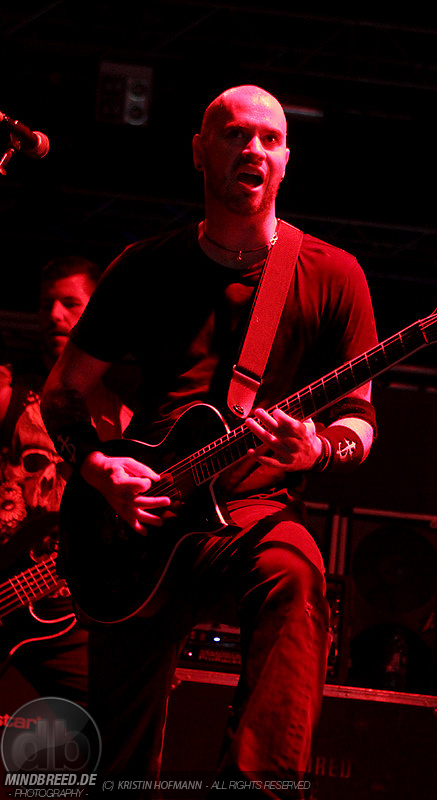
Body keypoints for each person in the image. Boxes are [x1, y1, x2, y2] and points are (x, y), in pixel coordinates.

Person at [41, 85, 378, 797]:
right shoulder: (144, 266)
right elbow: (63, 393)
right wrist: (98, 471)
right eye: (234, 135)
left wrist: (317, 449)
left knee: (295, 574)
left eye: (269, 138)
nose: (253, 149)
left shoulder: (332, 274)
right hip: (137, 517)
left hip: (250, 515)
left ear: (285, 160)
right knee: (117, 759)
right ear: (199, 152)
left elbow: (359, 420)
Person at [0, 256, 129, 703]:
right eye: (46, 304)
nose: (54, 315)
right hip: (7, 583)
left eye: (70, 304)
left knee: (114, 708)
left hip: (65, 610)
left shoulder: (124, 416)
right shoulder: (11, 392)